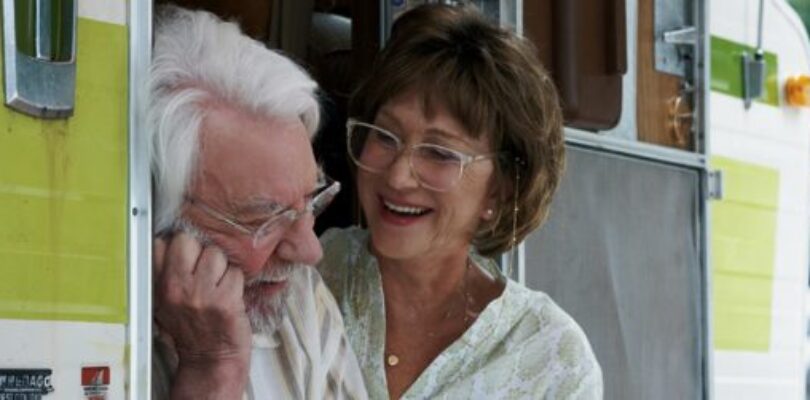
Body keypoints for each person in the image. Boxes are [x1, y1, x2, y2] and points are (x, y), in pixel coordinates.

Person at [318, 4, 602, 399]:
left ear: (501, 188)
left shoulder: (550, 357)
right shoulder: (308, 274)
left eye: (440, 153)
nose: (398, 176)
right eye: (385, 136)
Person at [148, 7, 367, 399]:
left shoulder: (299, 300)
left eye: (309, 201)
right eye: (266, 220)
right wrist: (213, 371)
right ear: (155, 212)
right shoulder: (80, 333)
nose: (311, 251)